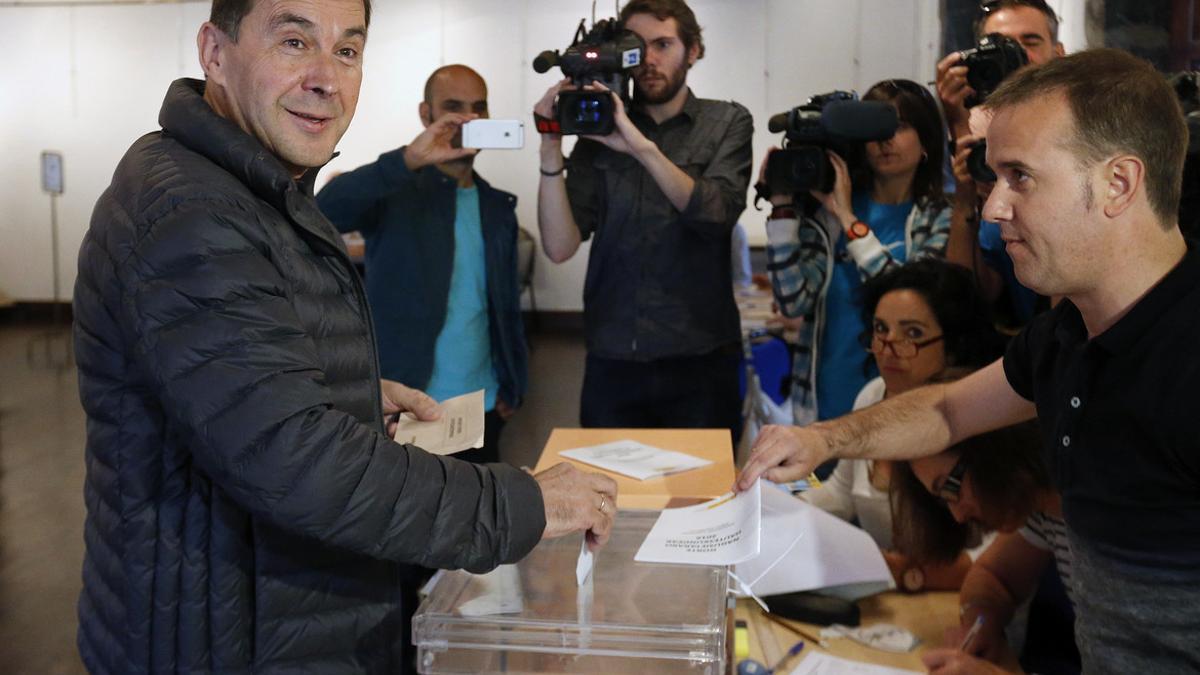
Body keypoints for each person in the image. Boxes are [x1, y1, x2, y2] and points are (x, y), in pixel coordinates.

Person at [72, 2, 617, 672]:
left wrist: (347, 393)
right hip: (223, 634)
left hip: (263, 613)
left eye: (348, 51)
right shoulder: (193, 211)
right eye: (295, 41)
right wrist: (527, 501)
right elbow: (298, 461)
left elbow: (244, 389)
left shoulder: (249, 189)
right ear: (215, 52)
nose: (327, 78)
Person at [738, 49, 1200, 673]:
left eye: (1021, 177)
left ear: (1119, 182)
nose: (992, 208)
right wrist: (823, 440)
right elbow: (951, 410)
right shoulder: (1068, 336)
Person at [534, 0, 753, 433]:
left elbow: (716, 214)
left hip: (701, 358)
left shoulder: (727, 121)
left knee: (703, 497)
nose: (649, 60)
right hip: (613, 356)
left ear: (693, 51)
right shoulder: (597, 132)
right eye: (637, 47)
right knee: (607, 497)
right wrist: (549, 146)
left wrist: (640, 147)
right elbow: (559, 246)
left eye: (664, 44)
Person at [317, 64, 525, 465]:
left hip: (484, 403)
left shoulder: (498, 207)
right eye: (453, 107)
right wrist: (409, 158)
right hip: (406, 404)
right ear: (426, 115)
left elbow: (504, 307)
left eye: (478, 108)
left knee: (484, 521)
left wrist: (512, 383)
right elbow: (324, 212)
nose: (469, 119)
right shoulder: (396, 193)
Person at [762, 79, 951, 427]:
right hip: (820, 406)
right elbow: (793, 301)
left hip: (899, 409)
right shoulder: (825, 215)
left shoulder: (937, 217)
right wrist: (783, 210)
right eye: (874, 129)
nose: (885, 139)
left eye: (900, 126)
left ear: (926, 142)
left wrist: (849, 219)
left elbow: (906, 299)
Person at [805, 259, 1002, 591]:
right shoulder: (872, 396)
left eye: (913, 333)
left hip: (964, 609)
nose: (888, 347)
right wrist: (773, 511)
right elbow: (840, 495)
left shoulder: (980, 418)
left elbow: (993, 557)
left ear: (953, 347)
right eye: (881, 329)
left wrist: (899, 572)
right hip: (887, 601)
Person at [892, 423, 1078, 674]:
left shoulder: (1110, 515)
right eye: (941, 499)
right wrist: (981, 617)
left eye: (950, 486)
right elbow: (992, 575)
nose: (957, 515)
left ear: (991, 447)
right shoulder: (1042, 512)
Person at [940, 0, 1065, 324]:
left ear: (1059, 53)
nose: (1015, 55)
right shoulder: (980, 135)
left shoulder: (1089, 131)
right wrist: (958, 121)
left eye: (1030, 42)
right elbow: (972, 291)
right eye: (1000, 45)